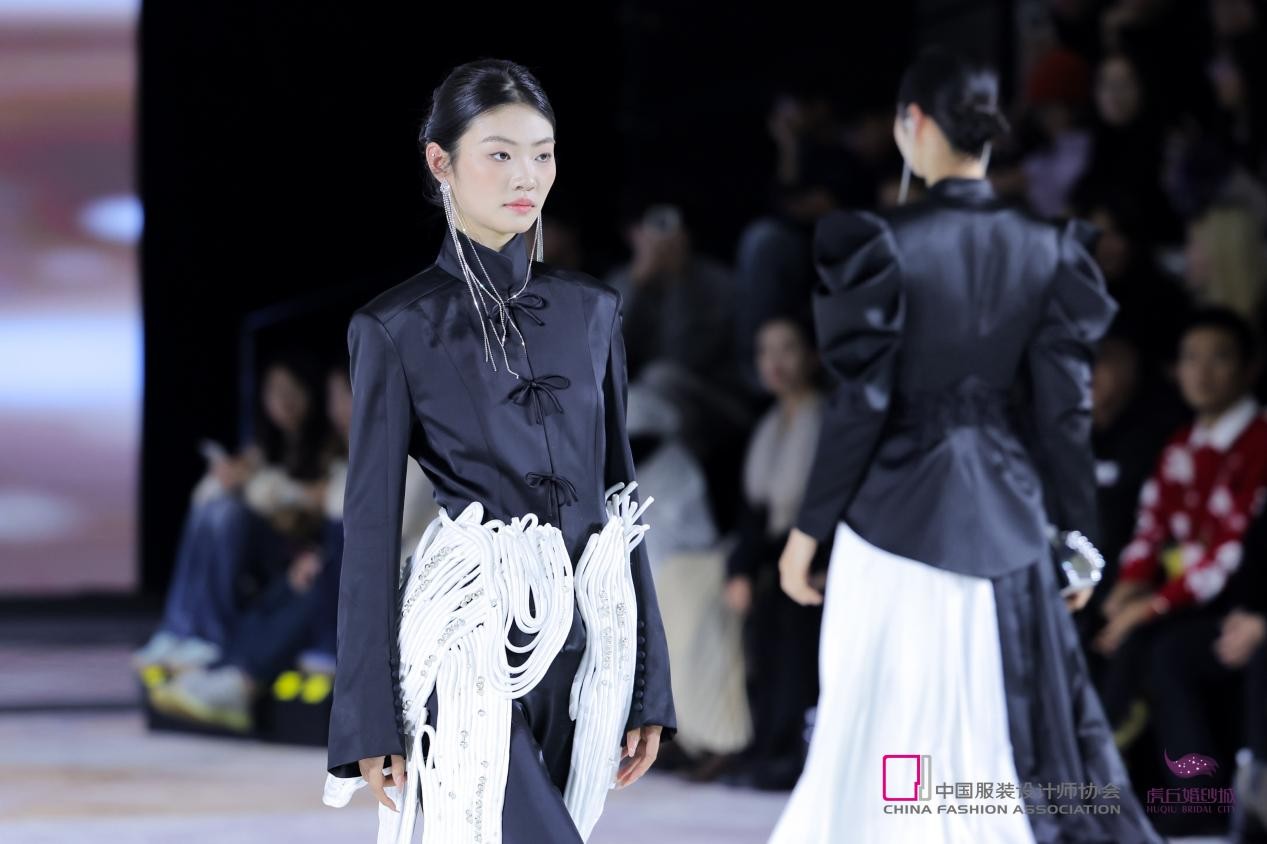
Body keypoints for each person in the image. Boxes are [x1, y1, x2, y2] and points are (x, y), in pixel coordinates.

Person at [769, 49, 1162, 843]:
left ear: (912, 123)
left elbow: (861, 403)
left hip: (893, 517)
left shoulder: (880, 242)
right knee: (992, 732)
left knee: (879, 728)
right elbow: (1064, 414)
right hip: (1006, 520)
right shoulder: (1051, 247)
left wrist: (807, 531)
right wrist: (1078, 541)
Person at [319, 60, 675, 844]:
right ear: (440, 162)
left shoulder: (593, 311)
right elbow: (370, 528)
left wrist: (650, 683)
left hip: (588, 641)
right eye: (500, 153)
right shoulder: (395, 328)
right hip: (466, 636)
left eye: (542, 154)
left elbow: (622, 502)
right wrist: (366, 718)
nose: (526, 176)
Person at [722, 315, 825, 790]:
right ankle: (762, 745)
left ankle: (789, 751)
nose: (775, 362)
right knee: (761, 632)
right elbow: (754, 511)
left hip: (815, 558)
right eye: (765, 351)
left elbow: (830, 504)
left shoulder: (824, 418)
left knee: (793, 631)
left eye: (787, 349)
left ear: (812, 356)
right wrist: (740, 570)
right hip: (774, 556)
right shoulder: (769, 424)